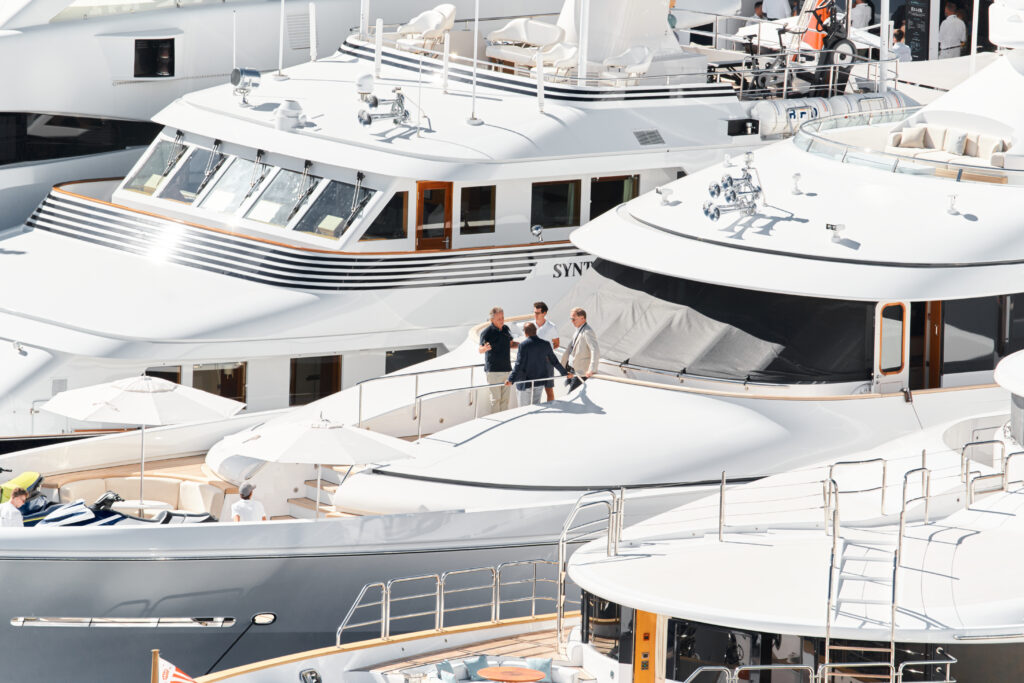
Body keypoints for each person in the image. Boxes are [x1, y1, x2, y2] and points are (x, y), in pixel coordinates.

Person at [506, 323, 567, 407]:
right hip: (539, 381)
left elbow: (519, 364)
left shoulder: (523, 345)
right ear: (536, 331)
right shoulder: (546, 344)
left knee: (523, 409)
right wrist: (565, 373)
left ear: (525, 333)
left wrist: (511, 379)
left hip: (525, 381)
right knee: (536, 407)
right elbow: (554, 361)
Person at [479, 306, 518, 413]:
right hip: (493, 372)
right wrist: (485, 348)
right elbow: (480, 349)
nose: (502, 320)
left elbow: (511, 344)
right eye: (499, 319)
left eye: (502, 318)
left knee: (505, 400)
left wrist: (522, 345)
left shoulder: (506, 329)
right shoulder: (486, 332)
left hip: (507, 370)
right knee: (496, 400)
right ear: (492, 320)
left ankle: (504, 423)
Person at [524, 301, 560, 402]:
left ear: (544, 313)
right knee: (532, 388)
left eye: (537, 313)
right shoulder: (530, 326)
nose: (535, 315)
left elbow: (556, 343)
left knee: (548, 389)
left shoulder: (551, 327)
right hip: (532, 363)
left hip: (547, 362)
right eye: (534, 312)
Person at [561, 307, 600, 392]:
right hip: (572, 369)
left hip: (581, 372)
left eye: (573, 319)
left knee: (571, 395)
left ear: (582, 318)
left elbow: (595, 350)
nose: (572, 321)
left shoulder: (587, 331)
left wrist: (592, 369)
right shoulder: (578, 330)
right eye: (571, 319)